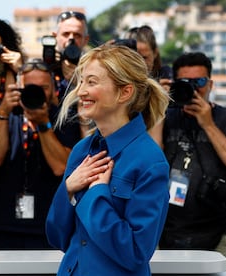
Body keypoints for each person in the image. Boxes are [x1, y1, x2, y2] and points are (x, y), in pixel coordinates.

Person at [45, 45, 170, 275]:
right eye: (81, 81)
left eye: (91, 82)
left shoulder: (150, 162)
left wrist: (95, 195)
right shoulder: (82, 151)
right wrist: (68, 190)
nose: (81, 91)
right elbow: (57, 238)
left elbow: (136, 253)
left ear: (125, 92)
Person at [0, 59, 82, 249]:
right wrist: (3, 110)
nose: (36, 92)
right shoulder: (5, 113)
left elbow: (60, 167)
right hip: (3, 226)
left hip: (48, 227)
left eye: (43, 87)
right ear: (18, 88)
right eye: (30, 87)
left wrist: (43, 124)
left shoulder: (63, 116)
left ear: (53, 91)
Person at [150, 52, 226, 255]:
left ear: (211, 85)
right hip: (166, 231)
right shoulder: (165, 117)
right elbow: (150, 161)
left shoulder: (225, 118)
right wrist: (160, 105)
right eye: (186, 82)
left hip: (218, 233)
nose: (194, 89)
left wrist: (208, 123)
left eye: (200, 82)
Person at [50, 11, 90, 101]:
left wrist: (80, 83)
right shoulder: (46, 67)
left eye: (77, 35)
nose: (71, 39)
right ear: (55, 37)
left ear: (86, 40)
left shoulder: (95, 69)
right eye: (66, 34)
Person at [123, 25, 172, 91]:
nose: (140, 63)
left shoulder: (164, 73)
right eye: (134, 58)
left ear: (155, 53)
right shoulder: (120, 77)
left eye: (144, 58)